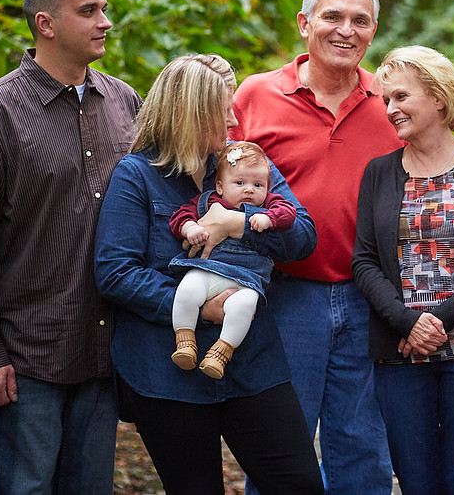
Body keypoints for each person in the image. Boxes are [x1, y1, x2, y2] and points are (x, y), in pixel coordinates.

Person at [0, 0, 141, 494]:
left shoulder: (125, 102)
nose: (105, 21)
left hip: (102, 354)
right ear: (45, 23)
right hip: (25, 359)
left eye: (104, 8)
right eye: (89, 11)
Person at [94, 54, 323, 495]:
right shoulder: (137, 176)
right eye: (223, 111)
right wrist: (201, 307)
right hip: (167, 372)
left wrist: (239, 223)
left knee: (300, 486)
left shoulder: (246, 165)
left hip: (252, 364)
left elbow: (303, 238)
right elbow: (116, 272)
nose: (234, 120)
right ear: (190, 115)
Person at [230, 0, 403, 494]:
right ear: (305, 23)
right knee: (281, 455)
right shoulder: (255, 96)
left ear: (374, 31)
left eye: (360, 20)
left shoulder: (391, 102)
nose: (346, 30)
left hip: (370, 297)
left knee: (364, 454)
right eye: (332, 16)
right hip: (284, 295)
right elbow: (217, 185)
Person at [352, 46, 454, 495]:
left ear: (439, 98)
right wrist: (407, 322)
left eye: (401, 97)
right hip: (400, 351)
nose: (391, 109)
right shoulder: (378, 173)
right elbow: (364, 261)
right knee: (416, 483)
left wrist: (436, 321)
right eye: (386, 99)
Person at [168, 141, 296, 378]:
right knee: (187, 289)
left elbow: (289, 212)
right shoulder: (208, 202)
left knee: (244, 306)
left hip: (246, 280)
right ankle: (185, 340)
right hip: (209, 270)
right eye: (240, 183)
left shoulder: (268, 206)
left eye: (258, 185)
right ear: (220, 186)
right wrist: (189, 228)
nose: (249, 190)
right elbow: (179, 217)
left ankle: (221, 353)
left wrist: (268, 218)